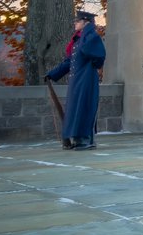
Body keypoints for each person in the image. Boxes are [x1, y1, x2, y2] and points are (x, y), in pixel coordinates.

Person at [45, 10, 106, 150]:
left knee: (84, 108)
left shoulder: (91, 37)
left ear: (86, 23)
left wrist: (93, 68)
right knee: (74, 110)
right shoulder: (78, 40)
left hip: (86, 79)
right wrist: (52, 74)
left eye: (78, 21)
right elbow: (69, 62)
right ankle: (76, 139)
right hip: (76, 81)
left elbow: (99, 57)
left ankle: (86, 140)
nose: (75, 23)